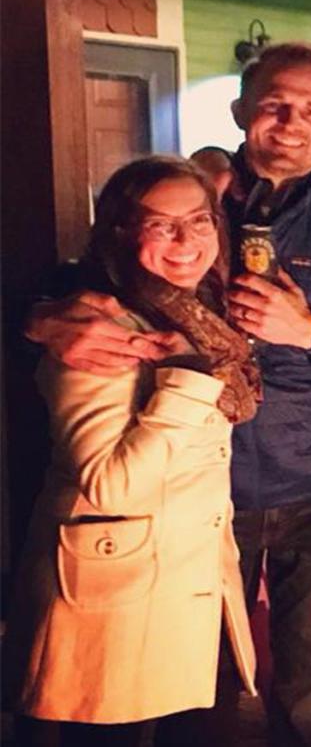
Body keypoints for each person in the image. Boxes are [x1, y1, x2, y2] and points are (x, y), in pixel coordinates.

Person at [26, 42, 311, 747]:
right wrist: (40, 319)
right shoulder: (185, 198)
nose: (291, 123)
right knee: (196, 688)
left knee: (310, 685)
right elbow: (86, 282)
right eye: (274, 105)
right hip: (193, 494)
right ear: (239, 110)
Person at [7, 156, 259, 746]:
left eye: (199, 221)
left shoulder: (199, 312)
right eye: (161, 225)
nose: (186, 241)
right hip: (115, 591)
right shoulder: (99, 326)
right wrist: (188, 381)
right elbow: (110, 483)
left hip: (180, 579)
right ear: (121, 231)